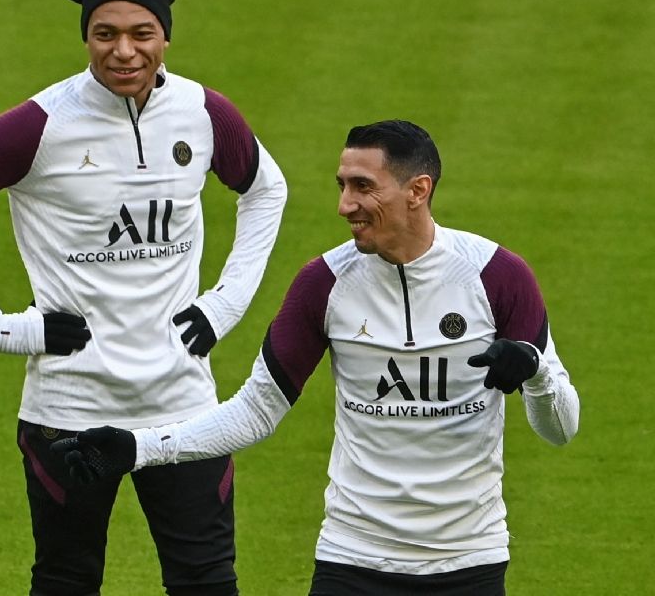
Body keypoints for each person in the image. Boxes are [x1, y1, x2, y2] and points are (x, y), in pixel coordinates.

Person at [0, 0, 287, 595]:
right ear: (86, 38)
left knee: (207, 582)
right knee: (66, 582)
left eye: (141, 33)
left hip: (183, 408)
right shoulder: (40, 125)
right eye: (106, 34)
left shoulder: (204, 112)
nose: (124, 52)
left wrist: (226, 303)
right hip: (68, 407)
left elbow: (267, 190)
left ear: (165, 37)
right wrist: (1, 328)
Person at [54, 119, 581, 595]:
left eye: (363, 187)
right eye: (342, 185)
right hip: (352, 561)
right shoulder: (324, 284)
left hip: (470, 563)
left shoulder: (497, 277)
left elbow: (561, 428)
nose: (344, 205)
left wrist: (535, 373)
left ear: (418, 191)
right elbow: (256, 410)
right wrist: (137, 447)